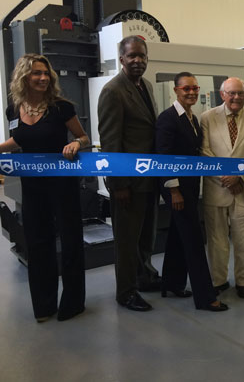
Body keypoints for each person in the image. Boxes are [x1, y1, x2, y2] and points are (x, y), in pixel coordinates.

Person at [0, 54, 89, 322]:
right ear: (23, 77)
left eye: (45, 73)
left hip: (63, 184)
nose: (42, 78)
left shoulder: (61, 107)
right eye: (36, 73)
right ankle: (44, 304)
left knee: (71, 241)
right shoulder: (14, 108)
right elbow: (18, 139)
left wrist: (76, 144)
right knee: (38, 244)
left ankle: (73, 303)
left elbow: (83, 136)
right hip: (32, 185)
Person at [98, 35, 160, 312]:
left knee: (146, 235)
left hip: (148, 179)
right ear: (121, 59)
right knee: (126, 240)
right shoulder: (113, 91)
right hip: (127, 183)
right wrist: (118, 184)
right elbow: (111, 142)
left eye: (142, 56)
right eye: (132, 56)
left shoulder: (145, 85)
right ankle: (125, 292)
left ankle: (144, 276)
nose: (138, 61)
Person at [155, 72, 228, 312]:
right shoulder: (167, 119)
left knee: (178, 235)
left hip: (189, 185)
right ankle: (206, 298)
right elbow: (163, 157)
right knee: (195, 240)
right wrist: (174, 190)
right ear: (176, 90)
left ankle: (172, 283)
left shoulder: (192, 119)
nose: (192, 93)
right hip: (176, 188)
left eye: (195, 88)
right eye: (186, 89)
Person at [201, 77, 244, 299]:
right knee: (217, 239)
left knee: (243, 240)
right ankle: (218, 280)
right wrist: (226, 176)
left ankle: (243, 281)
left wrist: (238, 176)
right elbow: (205, 152)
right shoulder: (207, 119)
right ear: (222, 95)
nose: (236, 97)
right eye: (232, 93)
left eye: (240, 93)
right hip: (216, 188)